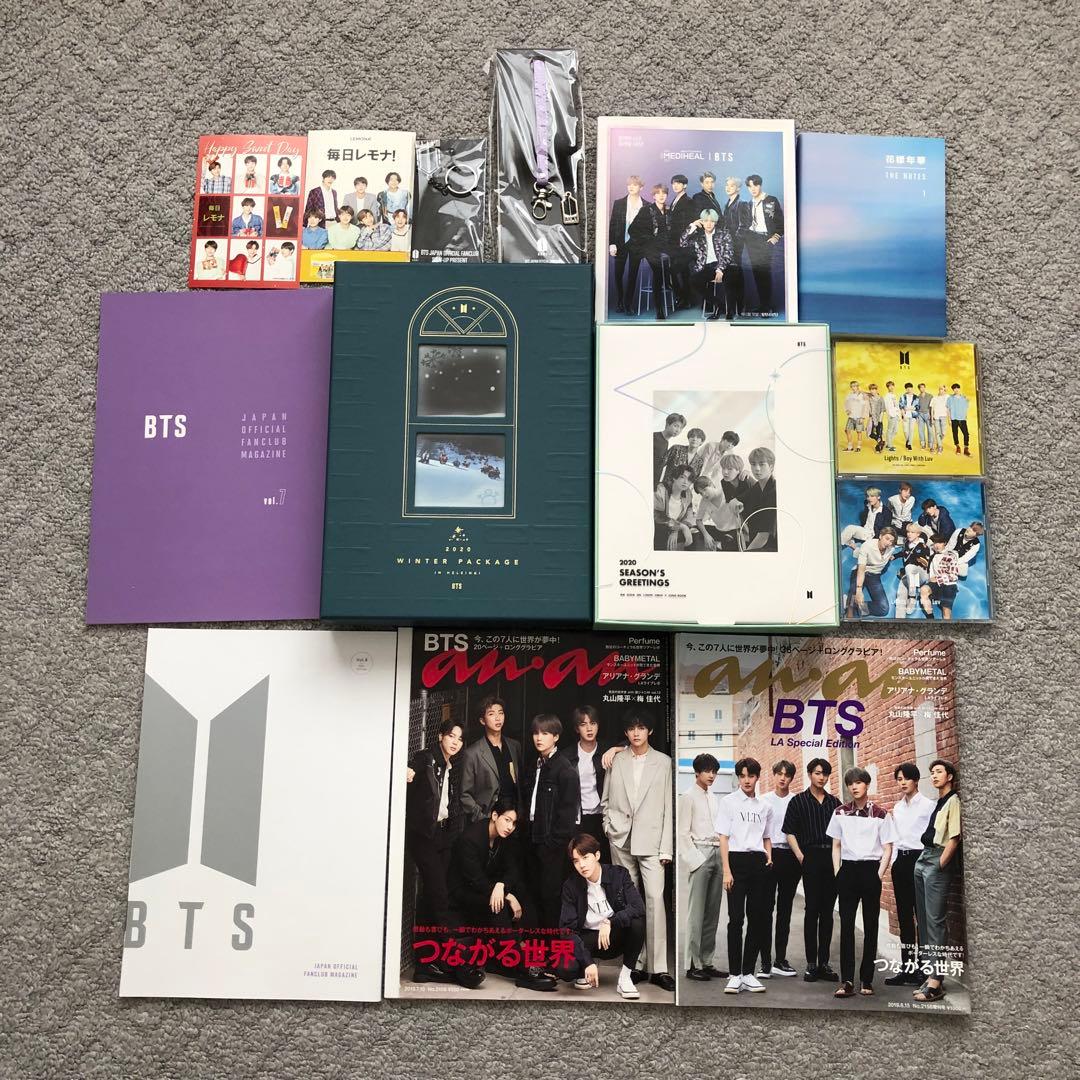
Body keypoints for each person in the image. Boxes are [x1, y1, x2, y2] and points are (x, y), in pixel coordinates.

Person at [448, 799, 556, 992]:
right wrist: (506, 895)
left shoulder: (504, 838)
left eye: (513, 823)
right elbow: (475, 880)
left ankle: (526, 957)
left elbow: (512, 869)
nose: (510, 827)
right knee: (498, 906)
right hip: (463, 894)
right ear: (495, 815)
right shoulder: (470, 839)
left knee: (523, 893)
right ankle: (523, 969)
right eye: (507, 820)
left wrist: (502, 886)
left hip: (487, 888)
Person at [601, 707, 675, 992]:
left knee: (655, 900)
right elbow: (606, 799)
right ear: (626, 732)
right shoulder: (617, 760)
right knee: (628, 904)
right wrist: (608, 827)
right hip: (621, 839)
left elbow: (668, 806)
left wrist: (666, 848)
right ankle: (634, 964)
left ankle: (658, 968)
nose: (636, 733)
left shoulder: (664, 762)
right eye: (632, 728)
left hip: (653, 842)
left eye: (641, 728)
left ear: (650, 731)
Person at [405, 719, 482, 988]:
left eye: (460, 739)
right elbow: (413, 767)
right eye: (451, 736)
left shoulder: (451, 765)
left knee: (431, 898)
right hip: (424, 836)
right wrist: (408, 772)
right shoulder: (426, 759)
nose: (455, 742)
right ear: (440, 736)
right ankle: (456, 962)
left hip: (442, 836)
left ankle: (425, 965)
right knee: (439, 897)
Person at [827, 768, 895, 998]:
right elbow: (836, 845)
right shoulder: (840, 812)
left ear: (867, 784)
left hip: (870, 871)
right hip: (847, 871)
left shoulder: (880, 814)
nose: (854, 787)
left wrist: (878, 874)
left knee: (871, 926)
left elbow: (887, 848)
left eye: (858, 782)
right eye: (850, 784)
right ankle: (846, 980)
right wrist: (838, 872)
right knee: (846, 926)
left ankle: (867, 979)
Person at [560, 833, 646, 1000]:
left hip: (614, 937)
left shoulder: (619, 875)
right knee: (565, 969)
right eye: (576, 861)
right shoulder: (571, 886)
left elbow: (638, 907)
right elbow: (566, 930)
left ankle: (625, 978)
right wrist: (587, 962)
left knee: (637, 922)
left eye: (585, 857)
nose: (581, 865)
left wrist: (610, 922)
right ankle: (584, 970)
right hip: (588, 940)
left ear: (597, 855)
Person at [782, 758, 841, 982]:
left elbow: (841, 834)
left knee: (827, 911)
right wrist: (800, 856)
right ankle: (811, 964)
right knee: (812, 909)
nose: (821, 777)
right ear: (809, 774)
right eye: (817, 773)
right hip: (810, 858)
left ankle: (824, 963)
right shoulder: (798, 801)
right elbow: (789, 831)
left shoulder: (834, 803)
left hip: (831, 858)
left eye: (825, 773)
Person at [717, 758, 772, 994]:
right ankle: (734, 974)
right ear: (738, 777)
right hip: (736, 862)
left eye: (750, 776)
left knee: (757, 918)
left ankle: (748, 973)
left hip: (758, 863)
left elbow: (766, 837)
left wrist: (769, 857)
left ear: (757, 777)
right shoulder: (728, 802)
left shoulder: (765, 806)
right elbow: (723, 838)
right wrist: (727, 870)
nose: (746, 780)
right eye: (742, 776)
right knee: (736, 919)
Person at [523, 714, 580, 928]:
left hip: (551, 844)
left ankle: (551, 944)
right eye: (536, 733)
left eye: (545, 733)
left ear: (556, 737)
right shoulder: (535, 764)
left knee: (550, 896)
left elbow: (568, 814)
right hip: (531, 838)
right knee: (533, 892)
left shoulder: (565, 769)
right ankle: (537, 943)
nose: (539, 738)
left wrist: (553, 843)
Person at [913, 760, 961, 1002]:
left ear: (950, 776)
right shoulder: (939, 802)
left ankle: (936, 981)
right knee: (923, 921)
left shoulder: (954, 800)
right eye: (932, 773)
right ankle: (929, 975)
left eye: (939, 772)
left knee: (935, 922)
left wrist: (940, 864)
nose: (933, 776)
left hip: (936, 861)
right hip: (924, 858)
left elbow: (955, 837)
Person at [885, 764, 936, 987]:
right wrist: (894, 862)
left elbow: (933, 839)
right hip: (902, 863)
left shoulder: (928, 806)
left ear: (916, 780)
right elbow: (895, 838)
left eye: (906, 778)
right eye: (899, 779)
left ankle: (923, 970)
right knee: (904, 917)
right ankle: (906, 969)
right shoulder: (897, 808)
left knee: (921, 918)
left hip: (920, 860)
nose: (903, 782)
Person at [679, 753, 726, 981]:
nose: (711, 775)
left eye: (714, 771)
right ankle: (692, 965)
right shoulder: (688, 797)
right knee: (696, 913)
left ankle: (706, 961)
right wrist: (696, 860)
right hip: (700, 852)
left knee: (712, 912)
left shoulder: (714, 797)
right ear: (696, 772)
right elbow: (682, 833)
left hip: (717, 852)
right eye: (707, 771)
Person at [759, 760, 800, 978]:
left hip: (790, 857)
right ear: (774, 775)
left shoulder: (797, 800)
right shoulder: (763, 800)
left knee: (785, 910)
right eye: (779, 774)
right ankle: (765, 962)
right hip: (769, 855)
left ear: (792, 777)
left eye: (787, 774)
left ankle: (780, 960)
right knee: (766, 909)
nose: (783, 778)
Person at [459, 696, 522, 821]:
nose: (498, 718)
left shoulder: (514, 746)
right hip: (488, 816)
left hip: (513, 815)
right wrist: (483, 819)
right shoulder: (472, 753)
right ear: (482, 720)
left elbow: (520, 782)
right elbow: (465, 795)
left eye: (501, 713)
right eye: (491, 714)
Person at [570, 706, 619, 863]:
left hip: (601, 817)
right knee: (580, 861)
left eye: (593, 723)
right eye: (583, 724)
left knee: (603, 861)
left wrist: (615, 749)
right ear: (577, 728)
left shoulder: (606, 749)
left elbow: (631, 746)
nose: (589, 729)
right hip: (579, 818)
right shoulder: (568, 755)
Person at [679, 209, 734, 319]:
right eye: (706, 221)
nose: (709, 224)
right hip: (707, 267)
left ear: (715, 222)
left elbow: (728, 253)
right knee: (694, 281)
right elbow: (682, 243)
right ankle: (718, 304)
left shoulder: (724, 234)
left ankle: (729, 311)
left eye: (712, 221)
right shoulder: (698, 237)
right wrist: (692, 225)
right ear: (702, 222)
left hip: (723, 266)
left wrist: (720, 269)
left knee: (732, 277)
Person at [743, 174, 784, 316]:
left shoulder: (771, 200)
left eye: (755, 185)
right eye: (750, 186)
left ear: (760, 185)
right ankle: (762, 305)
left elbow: (780, 223)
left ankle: (767, 306)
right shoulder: (749, 203)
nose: (753, 189)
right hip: (752, 240)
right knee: (756, 273)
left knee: (764, 273)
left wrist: (774, 238)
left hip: (766, 240)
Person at [608, 176, 647, 314]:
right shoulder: (619, 203)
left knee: (632, 275)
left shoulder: (646, 205)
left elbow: (648, 228)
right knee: (618, 273)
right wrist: (612, 243)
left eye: (635, 185)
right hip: (620, 243)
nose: (631, 187)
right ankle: (619, 301)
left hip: (636, 244)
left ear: (641, 187)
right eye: (629, 184)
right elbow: (613, 224)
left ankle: (628, 304)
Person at [845, 527, 898, 618]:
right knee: (853, 595)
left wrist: (890, 557)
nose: (888, 543)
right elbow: (861, 569)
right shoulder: (867, 546)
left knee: (883, 609)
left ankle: (856, 607)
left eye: (891, 541)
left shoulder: (891, 549)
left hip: (874, 576)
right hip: (861, 571)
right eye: (887, 539)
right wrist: (859, 590)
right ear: (880, 536)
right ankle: (850, 607)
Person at [641, 184, 674, 319]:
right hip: (650, 247)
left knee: (681, 258)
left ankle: (672, 284)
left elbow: (673, 231)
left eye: (664, 193)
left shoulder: (669, 211)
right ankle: (659, 309)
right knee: (658, 271)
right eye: (658, 193)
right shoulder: (646, 210)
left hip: (665, 246)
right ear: (653, 196)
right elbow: (634, 230)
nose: (661, 196)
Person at [720, 177, 750, 317]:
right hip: (727, 243)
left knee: (733, 273)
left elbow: (744, 225)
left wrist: (734, 242)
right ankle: (737, 307)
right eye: (727, 185)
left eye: (731, 186)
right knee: (734, 274)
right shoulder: (727, 204)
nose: (728, 188)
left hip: (735, 244)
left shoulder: (742, 203)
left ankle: (734, 309)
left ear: (738, 188)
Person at [667, 174, 698, 307]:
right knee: (680, 272)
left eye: (678, 183)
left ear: (685, 185)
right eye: (673, 183)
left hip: (683, 242)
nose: (675, 186)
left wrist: (683, 239)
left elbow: (689, 224)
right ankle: (683, 298)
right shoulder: (674, 200)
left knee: (682, 271)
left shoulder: (689, 201)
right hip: (673, 242)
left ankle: (685, 299)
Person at [690, 475, 743, 551]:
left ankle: (719, 548)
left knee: (727, 541)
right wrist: (706, 535)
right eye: (701, 493)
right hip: (719, 530)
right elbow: (698, 520)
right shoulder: (704, 501)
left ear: (711, 484)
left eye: (705, 490)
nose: (704, 494)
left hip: (734, 530)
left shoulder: (725, 492)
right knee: (693, 529)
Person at [740, 447, 777, 551]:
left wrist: (745, 554)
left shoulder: (774, 492)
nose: (756, 468)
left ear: (771, 466)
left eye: (762, 464)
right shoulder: (757, 486)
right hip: (755, 541)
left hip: (770, 547)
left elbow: (763, 537)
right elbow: (738, 499)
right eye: (753, 464)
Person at [894, 521, 933, 617]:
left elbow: (926, 564)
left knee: (909, 567)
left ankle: (912, 597)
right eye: (908, 532)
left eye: (912, 532)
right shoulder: (907, 543)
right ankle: (899, 620)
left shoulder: (923, 547)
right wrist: (894, 556)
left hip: (921, 575)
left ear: (918, 534)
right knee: (901, 593)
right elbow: (905, 553)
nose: (909, 534)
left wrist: (918, 559)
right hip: (911, 576)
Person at [920, 533, 962, 619]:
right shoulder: (933, 556)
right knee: (923, 590)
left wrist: (937, 579)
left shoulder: (950, 556)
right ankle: (930, 618)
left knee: (946, 613)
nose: (936, 545)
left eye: (939, 542)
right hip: (935, 584)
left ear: (945, 543)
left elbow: (954, 576)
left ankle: (947, 627)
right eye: (935, 543)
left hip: (948, 585)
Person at [654, 465, 695, 551]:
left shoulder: (688, 494)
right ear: (674, 478)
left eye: (689, 479)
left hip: (674, 529)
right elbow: (657, 515)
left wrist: (676, 529)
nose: (685, 482)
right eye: (682, 477)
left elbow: (689, 515)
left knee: (696, 535)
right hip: (658, 529)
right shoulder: (661, 489)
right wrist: (680, 526)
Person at [839, 486, 890, 550]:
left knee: (866, 550)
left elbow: (886, 530)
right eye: (868, 496)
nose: (869, 498)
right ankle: (838, 546)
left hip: (874, 537)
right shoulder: (868, 504)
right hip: (865, 531)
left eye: (872, 496)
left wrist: (877, 541)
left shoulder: (886, 512)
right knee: (850, 528)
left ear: (879, 497)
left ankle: (853, 544)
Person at [653, 413, 686, 486]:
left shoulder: (666, 442)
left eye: (681, 428)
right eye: (676, 426)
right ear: (667, 424)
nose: (678, 430)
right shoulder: (654, 437)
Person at [843, 381, 868, 452]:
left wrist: (863, 417)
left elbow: (865, 407)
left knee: (859, 432)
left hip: (859, 417)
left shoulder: (862, 395)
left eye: (854, 386)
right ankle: (850, 447)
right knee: (847, 430)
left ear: (857, 386)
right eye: (852, 386)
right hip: (851, 416)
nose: (853, 388)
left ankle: (858, 447)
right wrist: (847, 410)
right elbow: (846, 403)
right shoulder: (849, 395)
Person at [947, 383, 971, 456]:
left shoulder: (964, 398)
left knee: (966, 434)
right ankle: (957, 447)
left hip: (962, 418)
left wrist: (965, 415)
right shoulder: (950, 398)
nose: (956, 390)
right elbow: (948, 409)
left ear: (959, 389)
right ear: (953, 390)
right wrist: (949, 419)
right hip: (954, 418)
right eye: (954, 388)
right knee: (955, 433)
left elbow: (966, 407)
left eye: (957, 388)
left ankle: (966, 448)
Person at [930, 384, 949, 454]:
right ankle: (940, 447)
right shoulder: (934, 398)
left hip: (944, 416)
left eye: (943, 389)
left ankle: (937, 443)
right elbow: (932, 409)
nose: (941, 390)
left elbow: (950, 406)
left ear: (945, 390)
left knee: (943, 433)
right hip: (936, 417)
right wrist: (932, 418)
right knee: (937, 432)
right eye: (940, 389)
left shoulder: (947, 397)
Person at [898, 382, 918, 451]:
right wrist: (903, 415)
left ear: (912, 388)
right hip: (905, 415)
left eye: (910, 388)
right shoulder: (902, 397)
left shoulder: (916, 397)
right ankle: (907, 441)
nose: (909, 389)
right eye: (907, 388)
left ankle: (909, 444)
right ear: (906, 389)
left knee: (911, 430)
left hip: (913, 415)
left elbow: (917, 407)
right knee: (905, 431)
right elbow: (901, 407)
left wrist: (908, 408)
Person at [882, 380, 901, 451]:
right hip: (891, 415)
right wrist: (890, 415)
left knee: (895, 430)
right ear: (887, 387)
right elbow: (887, 407)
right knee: (890, 430)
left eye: (892, 385)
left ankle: (888, 443)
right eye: (889, 386)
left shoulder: (894, 395)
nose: (891, 387)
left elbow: (897, 406)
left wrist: (898, 415)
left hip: (896, 415)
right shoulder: (886, 396)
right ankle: (889, 446)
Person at [866, 383, 885, 452]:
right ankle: (880, 441)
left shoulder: (881, 398)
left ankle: (879, 447)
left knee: (879, 433)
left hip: (878, 418)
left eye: (874, 389)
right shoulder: (869, 397)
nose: (872, 391)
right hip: (871, 418)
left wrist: (880, 420)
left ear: (876, 390)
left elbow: (883, 410)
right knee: (869, 433)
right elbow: (863, 393)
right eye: (871, 389)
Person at [916, 383, 934, 450]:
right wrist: (917, 416)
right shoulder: (917, 397)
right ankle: (923, 444)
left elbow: (932, 407)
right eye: (921, 387)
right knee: (921, 430)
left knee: (930, 430)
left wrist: (931, 415)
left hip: (928, 414)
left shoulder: (930, 396)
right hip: (920, 414)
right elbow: (916, 407)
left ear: (925, 387)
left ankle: (931, 445)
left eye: (923, 387)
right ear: (919, 389)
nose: (922, 389)